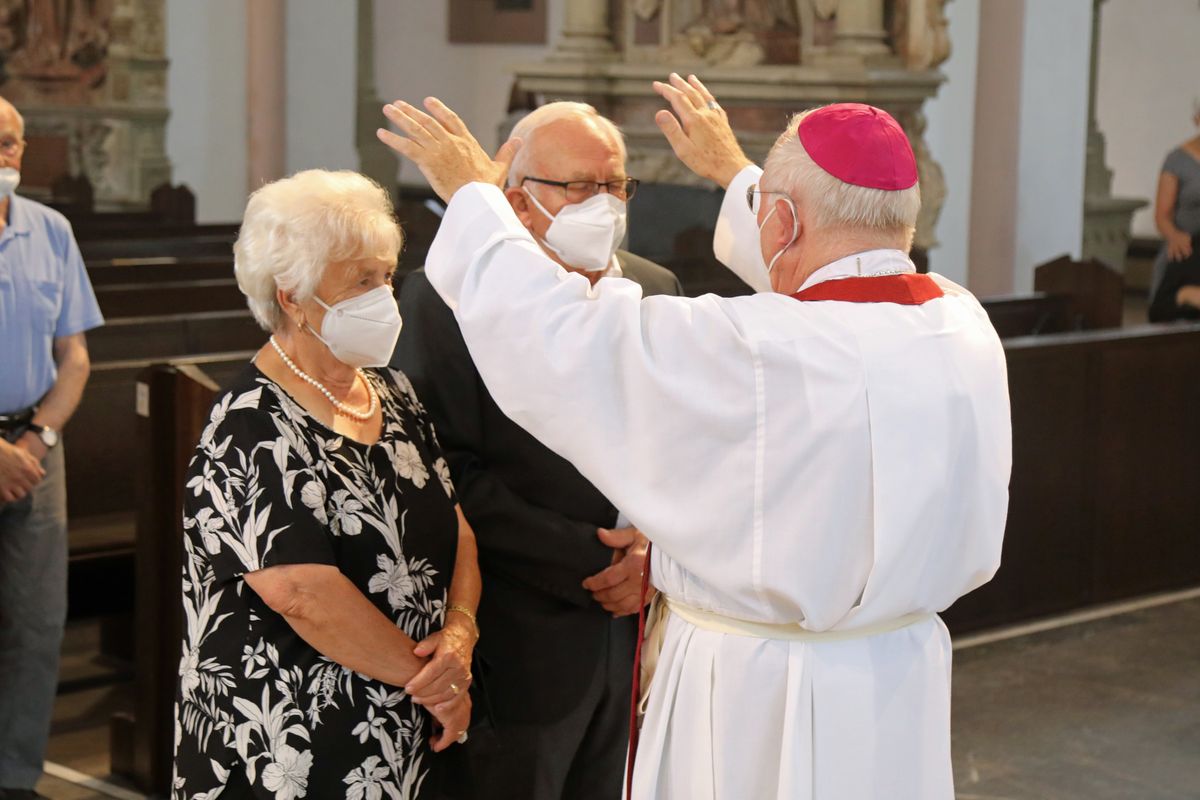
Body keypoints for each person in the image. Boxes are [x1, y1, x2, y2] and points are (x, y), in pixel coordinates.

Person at [377, 73, 1011, 800]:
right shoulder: (960, 325)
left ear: (781, 222)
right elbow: (827, 273)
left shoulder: (749, 347)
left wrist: (475, 197)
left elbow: (563, 333)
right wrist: (736, 172)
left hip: (757, 688)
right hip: (898, 674)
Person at [391, 102, 682, 800]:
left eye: (615, 185)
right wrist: (593, 559)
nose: (604, 203)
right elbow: (443, 470)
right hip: (517, 626)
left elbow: (678, 441)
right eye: (579, 186)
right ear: (518, 201)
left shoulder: (656, 287)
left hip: (632, 626)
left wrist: (651, 549)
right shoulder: (444, 297)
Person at [173, 170, 481, 800]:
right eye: (361, 281)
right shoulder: (249, 424)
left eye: (386, 276)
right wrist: (437, 686)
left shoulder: (393, 392)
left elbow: (459, 532)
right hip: (292, 738)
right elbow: (300, 593)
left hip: (412, 722)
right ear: (292, 296)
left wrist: (460, 632)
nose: (384, 297)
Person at [0, 97, 103, 800]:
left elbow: (75, 357)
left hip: (37, 446)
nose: (3, 155)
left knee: (37, 622)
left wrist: (36, 438)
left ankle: (15, 777)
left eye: (10, 142)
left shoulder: (51, 230)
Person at [1150, 104, 1200, 298]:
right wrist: (1175, 236)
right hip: (1186, 249)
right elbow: (1162, 216)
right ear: (1197, 119)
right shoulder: (1177, 160)